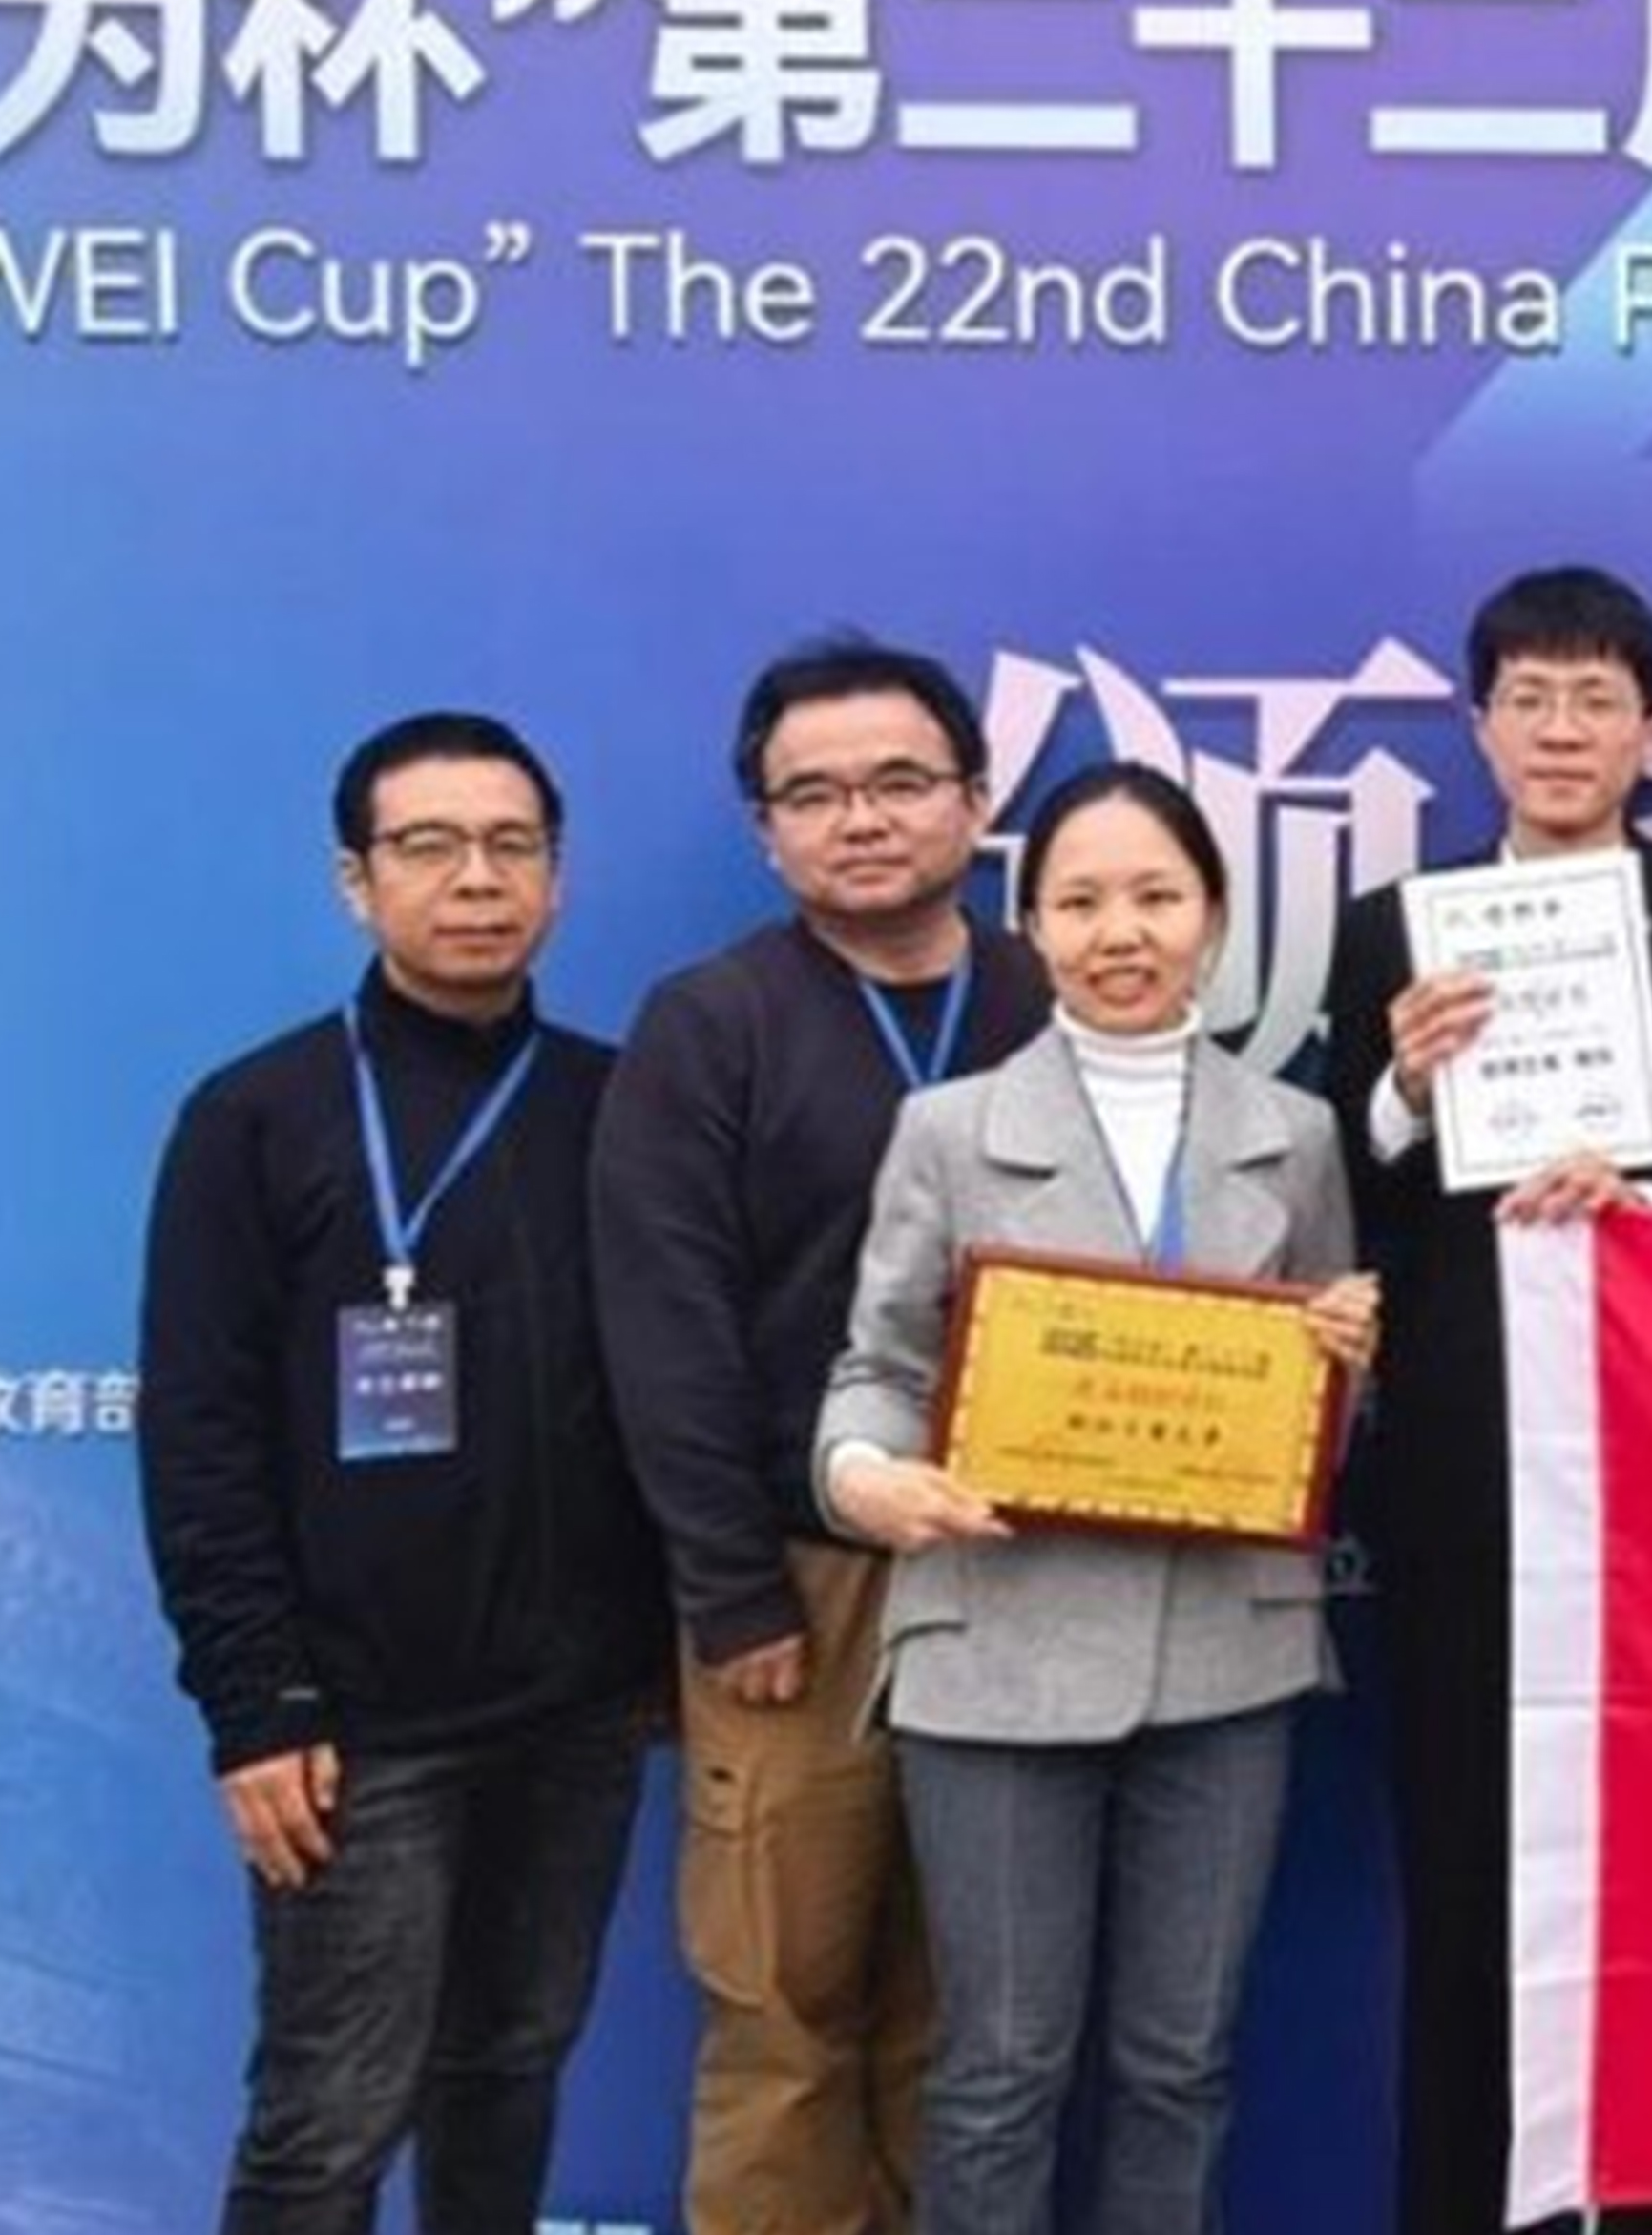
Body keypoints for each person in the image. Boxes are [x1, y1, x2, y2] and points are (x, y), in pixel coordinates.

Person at [812, 763, 1381, 2235]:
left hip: (1227, 1654)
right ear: (1030, 925)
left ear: (1214, 914)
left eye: (1154, 896)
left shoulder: (1296, 1134)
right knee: (1000, 2068)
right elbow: (879, 1365)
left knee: (1178, 2064)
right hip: (997, 1644)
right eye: (1077, 901)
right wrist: (867, 1476)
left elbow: (1320, 1419)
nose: (1119, 932)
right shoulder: (947, 1129)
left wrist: (1345, 1361)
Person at [1311, 566, 1652, 2235]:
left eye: (1597, 698)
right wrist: (1402, 1088)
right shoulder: (1396, 927)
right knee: (1465, 1861)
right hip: (1461, 1461)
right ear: (1479, 726)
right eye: (1529, 697)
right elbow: (1335, 1187)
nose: (1563, 729)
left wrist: (1643, 1195)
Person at [135, 710, 666, 2235]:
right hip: (354, 1727)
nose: (476, 880)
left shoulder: (619, 1105)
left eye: (511, 845)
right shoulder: (254, 1116)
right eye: (428, 846)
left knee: (510, 2076)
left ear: (556, 875)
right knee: (326, 2120)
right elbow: (200, 1431)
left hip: (576, 1711)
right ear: (355, 881)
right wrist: (257, 1703)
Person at [596, 636, 1050, 2235]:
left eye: (900, 781)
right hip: (803, 1585)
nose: (861, 818)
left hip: (1028, 1572)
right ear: (767, 829)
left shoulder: (1052, 993)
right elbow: (665, 1332)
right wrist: (733, 1591)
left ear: (976, 802)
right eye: (815, 794)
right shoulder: (711, 1022)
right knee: (785, 2006)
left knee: (974, 2019)